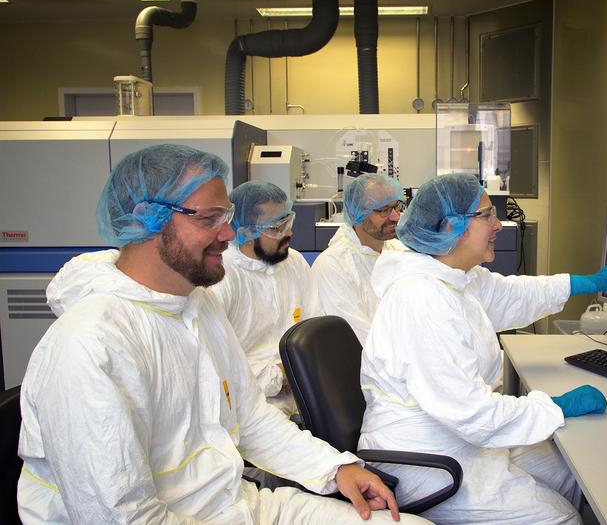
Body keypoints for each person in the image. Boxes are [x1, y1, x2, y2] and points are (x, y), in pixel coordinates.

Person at [17, 144, 429, 524]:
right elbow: (121, 517)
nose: (231, 235)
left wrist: (335, 468)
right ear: (149, 218)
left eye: (227, 217)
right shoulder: (91, 344)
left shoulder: (197, 305)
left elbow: (249, 419)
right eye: (210, 218)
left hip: (235, 506)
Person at [358, 173, 607, 525]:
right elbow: (473, 414)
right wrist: (555, 406)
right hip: (426, 458)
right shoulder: (422, 299)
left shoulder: (452, 274)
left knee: (570, 469)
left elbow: (511, 295)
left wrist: (586, 282)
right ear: (452, 225)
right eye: (488, 215)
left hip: (459, 436)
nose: (499, 225)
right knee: (561, 518)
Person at [209, 180, 314, 417]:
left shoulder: (293, 262)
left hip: (303, 395)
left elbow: (314, 326)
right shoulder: (222, 278)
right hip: (249, 407)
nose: (289, 232)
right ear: (245, 233)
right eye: (277, 227)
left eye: (288, 221)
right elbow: (217, 365)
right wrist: (279, 377)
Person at [310, 173, 406, 346]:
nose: (395, 217)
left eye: (396, 207)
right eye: (384, 210)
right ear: (358, 213)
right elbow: (360, 339)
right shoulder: (334, 265)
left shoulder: (401, 252)